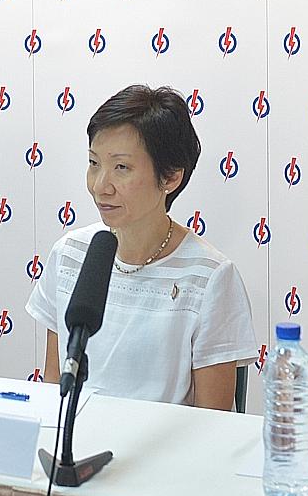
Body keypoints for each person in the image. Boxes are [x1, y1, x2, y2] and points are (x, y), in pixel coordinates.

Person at [25, 85, 258, 407]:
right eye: (94, 163)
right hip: (74, 448)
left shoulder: (210, 276)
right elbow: (55, 390)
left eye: (121, 167)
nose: (99, 185)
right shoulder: (70, 254)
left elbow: (213, 422)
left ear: (171, 177)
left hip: (167, 455)